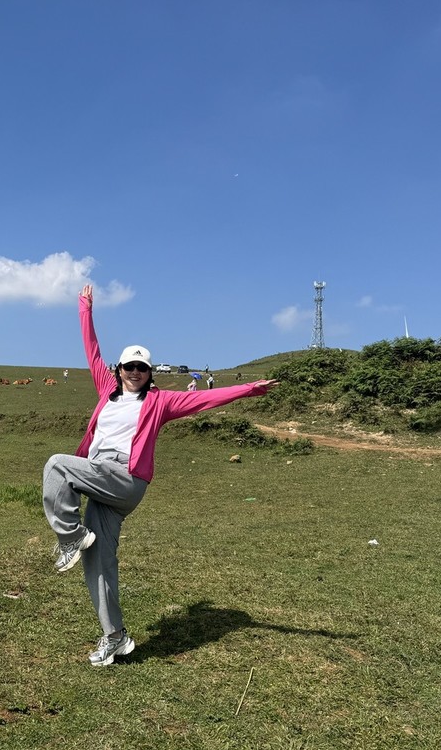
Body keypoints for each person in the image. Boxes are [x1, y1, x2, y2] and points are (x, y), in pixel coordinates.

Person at [42, 284, 277, 667]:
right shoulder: (106, 390)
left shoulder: (161, 401)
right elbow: (92, 350)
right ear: (119, 370)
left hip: (124, 477)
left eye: (142, 367)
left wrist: (250, 389)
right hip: (99, 478)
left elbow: (205, 399)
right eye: (129, 366)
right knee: (99, 563)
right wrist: (85, 308)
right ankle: (114, 638)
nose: (135, 372)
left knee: (56, 464)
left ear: (150, 373)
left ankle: (70, 537)